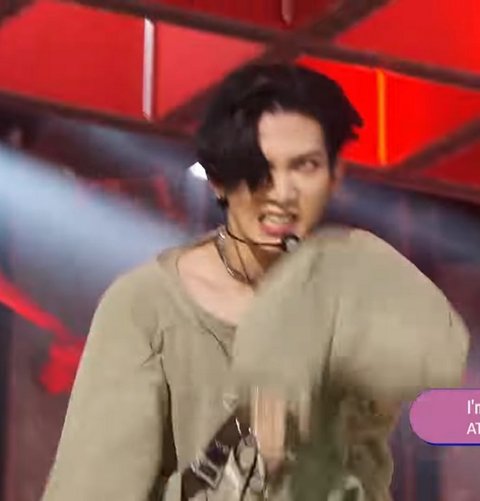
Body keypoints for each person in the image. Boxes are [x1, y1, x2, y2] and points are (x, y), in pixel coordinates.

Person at [41, 64, 469, 501]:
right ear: (218, 180)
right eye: (258, 168)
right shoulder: (147, 308)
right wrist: (245, 461)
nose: (282, 193)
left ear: (335, 176)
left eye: (305, 166)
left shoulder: (347, 301)